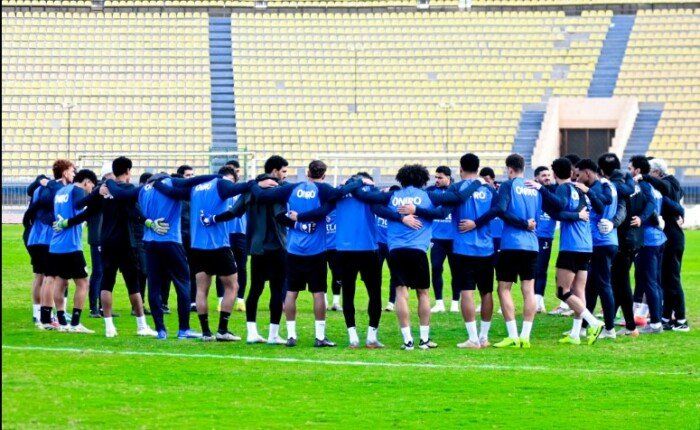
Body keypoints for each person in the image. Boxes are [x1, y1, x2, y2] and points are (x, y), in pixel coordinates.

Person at [156, 166, 273, 341]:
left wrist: (157, 184)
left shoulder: (195, 188)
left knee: (202, 289)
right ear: (227, 177)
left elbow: (172, 192)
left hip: (197, 246)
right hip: (218, 245)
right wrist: (257, 183)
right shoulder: (222, 184)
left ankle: (205, 333)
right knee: (232, 286)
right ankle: (222, 330)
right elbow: (242, 187)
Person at [252, 160, 361, 347]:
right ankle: (320, 337)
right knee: (318, 293)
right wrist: (358, 182)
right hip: (316, 250)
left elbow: (261, 196)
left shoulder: (291, 188)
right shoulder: (324, 189)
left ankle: (291, 335)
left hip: (294, 250)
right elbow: (340, 194)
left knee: (291, 292)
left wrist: (255, 183)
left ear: (307, 172)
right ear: (324, 175)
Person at [103, 172, 216, 339]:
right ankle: (183, 329)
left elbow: (120, 194)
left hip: (150, 243)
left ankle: (161, 330)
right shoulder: (170, 183)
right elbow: (194, 180)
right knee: (183, 284)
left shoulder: (143, 189)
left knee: (154, 286)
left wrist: (109, 182)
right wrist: (216, 176)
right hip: (171, 241)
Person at [352, 164, 449, 351]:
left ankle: (408, 340)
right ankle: (424, 339)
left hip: (396, 250)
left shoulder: (392, 196)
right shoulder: (428, 196)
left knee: (401, 294)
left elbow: (374, 206)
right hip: (418, 250)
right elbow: (442, 212)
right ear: (423, 179)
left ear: (401, 179)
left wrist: (398, 216)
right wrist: (417, 210)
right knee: (423, 294)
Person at [203, 155, 292, 345]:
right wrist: (299, 222)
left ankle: (252, 333)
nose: (285, 175)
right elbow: (280, 216)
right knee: (277, 290)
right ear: (275, 171)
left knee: (255, 290)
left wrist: (213, 219)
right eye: (284, 171)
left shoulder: (250, 190)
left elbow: (233, 212)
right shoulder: (277, 190)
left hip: (256, 247)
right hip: (276, 246)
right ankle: (273, 335)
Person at [530, 157, 605, 345]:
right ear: (571, 172)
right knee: (578, 291)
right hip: (586, 245)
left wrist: (541, 189)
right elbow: (563, 211)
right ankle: (575, 334)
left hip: (571, 245)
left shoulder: (564, 188)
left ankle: (594, 322)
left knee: (562, 291)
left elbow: (560, 206)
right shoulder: (579, 189)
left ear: (554, 173)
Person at [428, 154, 496, 349]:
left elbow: (442, 212)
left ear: (460, 169)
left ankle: (473, 338)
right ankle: (484, 337)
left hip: (463, 247)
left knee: (467, 291)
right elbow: (496, 211)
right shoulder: (488, 189)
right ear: (478, 168)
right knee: (486, 292)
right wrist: (477, 223)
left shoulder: (457, 188)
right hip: (486, 247)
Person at [326, 171, 395, 348]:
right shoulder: (370, 192)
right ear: (366, 181)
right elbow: (383, 202)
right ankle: (371, 337)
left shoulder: (340, 191)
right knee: (374, 293)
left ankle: (353, 338)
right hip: (368, 249)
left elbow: (329, 200)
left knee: (348, 293)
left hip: (344, 249)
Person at [477, 154, 539, 349]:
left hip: (512, 244)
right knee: (529, 290)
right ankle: (525, 337)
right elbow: (536, 218)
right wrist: (527, 224)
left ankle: (513, 335)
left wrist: (521, 223)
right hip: (532, 244)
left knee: (504, 289)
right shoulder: (534, 188)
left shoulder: (508, 185)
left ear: (509, 169)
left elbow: (501, 210)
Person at [97, 157, 157, 338]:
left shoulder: (105, 190)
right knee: (133, 284)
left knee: (107, 282)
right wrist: (147, 221)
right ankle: (141, 325)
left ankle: (109, 327)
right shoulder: (128, 189)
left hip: (106, 241)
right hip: (125, 241)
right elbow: (133, 211)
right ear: (128, 171)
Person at [47, 169, 100, 333]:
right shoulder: (77, 190)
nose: (90, 190)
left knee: (61, 282)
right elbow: (79, 205)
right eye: (91, 186)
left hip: (56, 245)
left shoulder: (61, 192)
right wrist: (96, 197)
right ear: (86, 182)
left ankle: (62, 322)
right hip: (71, 245)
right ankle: (75, 323)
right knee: (83, 283)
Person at [640, 158, 688, 331]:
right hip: (669, 237)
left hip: (673, 238)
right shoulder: (668, 185)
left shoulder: (669, 183)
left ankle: (681, 320)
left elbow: (669, 195)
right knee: (666, 279)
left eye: (650, 173)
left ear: (657, 172)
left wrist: (643, 177)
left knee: (672, 279)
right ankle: (666, 316)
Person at [574, 159, 618, 339]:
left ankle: (610, 329)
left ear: (587, 173)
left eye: (579, 174)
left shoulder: (598, 188)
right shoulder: (607, 186)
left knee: (604, 285)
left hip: (601, 242)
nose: (577, 178)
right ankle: (584, 326)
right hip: (605, 241)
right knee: (591, 286)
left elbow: (602, 204)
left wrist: (587, 191)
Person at [33, 160, 74, 330]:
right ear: (64, 172)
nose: (74, 174)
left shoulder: (43, 187)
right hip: (50, 238)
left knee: (46, 277)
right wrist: (55, 223)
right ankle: (47, 318)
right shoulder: (57, 190)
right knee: (52, 278)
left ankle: (44, 316)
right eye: (72, 171)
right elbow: (44, 210)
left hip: (38, 237)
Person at [628, 156, 667, 334]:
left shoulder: (643, 186)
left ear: (637, 170)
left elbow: (650, 206)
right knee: (654, 282)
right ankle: (656, 319)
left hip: (649, 239)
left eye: (630, 168)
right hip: (658, 238)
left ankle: (656, 324)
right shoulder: (653, 186)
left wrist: (641, 218)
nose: (629, 171)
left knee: (649, 281)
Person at [215, 160, 248, 313]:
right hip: (223, 233)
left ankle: (240, 300)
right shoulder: (218, 191)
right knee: (221, 267)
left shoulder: (243, 191)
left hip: (240, 233)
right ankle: (220, 300)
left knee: (241, 267)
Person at [427, 166, 458, 313]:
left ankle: (455, 303)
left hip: (454, 238)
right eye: (436, 177)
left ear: (448, 178)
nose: (437, 180)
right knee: (436, 268)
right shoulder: (430, 191)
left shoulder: (457, 190)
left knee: (456, 270)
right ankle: (439, 302)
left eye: (440, 177)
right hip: (437, 238)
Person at [23, 174, 50, 326]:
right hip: (42, 238)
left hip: (32, 237)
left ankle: (37, 313)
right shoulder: (46, 194)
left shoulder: (36, 194)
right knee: (48, 276)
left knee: (39, 276)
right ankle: (46, 313)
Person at [533, 166, 556, 314]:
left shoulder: (554, 191)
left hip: (546, 236)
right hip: (531, 235)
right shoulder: (531, 192)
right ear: (536, 178)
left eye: (548, 175)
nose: (547, 177)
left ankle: (539, 301)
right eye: (543, 175)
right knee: (529, 269)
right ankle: (532, 300)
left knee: (541, 268)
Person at [379, 185, 401, 312]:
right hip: (378, 245)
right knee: (376, 274)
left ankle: (391, 302)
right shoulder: (380, 206)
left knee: (395, 274)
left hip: (393, 245)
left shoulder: (400, 209)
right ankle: (377, 301)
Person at [325, 208, 343, 311]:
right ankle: (324, 302)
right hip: (321, 248)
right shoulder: (320, 210)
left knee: (338, 275)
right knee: (321, 275)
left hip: (336, 248)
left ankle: (336, 302)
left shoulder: (339, 210)